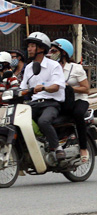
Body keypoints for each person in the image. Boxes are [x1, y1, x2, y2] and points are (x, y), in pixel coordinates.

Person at [20, 32, 66, 161]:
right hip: (34, 104)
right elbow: (23, 87)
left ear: (41, 48)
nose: (29, 49)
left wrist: (44, 87)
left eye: (32, 46)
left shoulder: (54, 66)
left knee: (43, 121)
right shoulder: (29, 68)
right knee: (16, 121)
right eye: (28, 46)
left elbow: (56, 86)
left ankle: (57, 148)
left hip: (51, 103)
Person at [49, 38, 91, 163]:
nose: (51, 53)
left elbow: (86, 89)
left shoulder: (75, 68)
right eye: (50, 51)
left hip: (78, 100)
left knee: (78, 114)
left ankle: (83, 148)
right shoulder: (50, 69)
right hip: (61, 101)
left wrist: (69, 88)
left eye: (54, 51)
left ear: (64, 53)